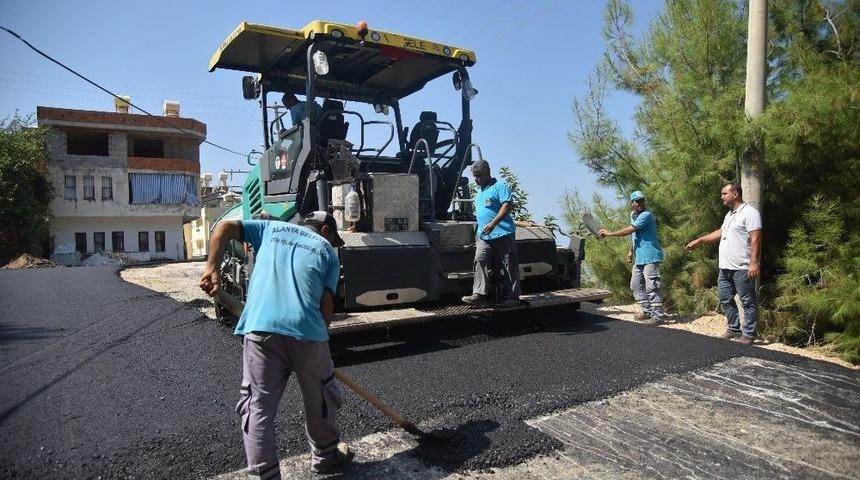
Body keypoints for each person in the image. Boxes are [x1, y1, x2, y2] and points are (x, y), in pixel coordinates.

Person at [199, 211, 353, 478]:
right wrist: (319, 341)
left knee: (257, 406)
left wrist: (211, 268)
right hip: (307, 330)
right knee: (321, 398)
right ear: (326, 230)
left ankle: (263, 474)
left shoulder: (271, 229)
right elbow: (325, 305)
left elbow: (222, 227)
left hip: (260, 327)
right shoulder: (327, 250)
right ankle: (326, 456)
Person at [686, 182, 762, 345]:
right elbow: (721, 232)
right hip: (725, 267)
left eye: (724, 193)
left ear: (735, 194)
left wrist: (753, 263)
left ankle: (749, 334)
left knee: (747, 301)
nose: (721, 196)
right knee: (725, 297)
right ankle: (734, 329)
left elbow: (756, 238)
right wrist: (700, 240)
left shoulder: (750, 212)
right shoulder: (730, 214)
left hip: (742, 267)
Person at [598, 191, 666, 324]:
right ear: (632, 203)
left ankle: (658, 316)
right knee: (635, 285)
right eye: (637, 201)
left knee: (652, 286)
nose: (640, 203)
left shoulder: (646, 215)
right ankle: (647, 311)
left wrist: (610, 233)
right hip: (640, 257)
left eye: (641, 200)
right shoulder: (633, 215)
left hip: (650, 256)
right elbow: (635, 235)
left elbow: (629, 230)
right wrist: (631, 250)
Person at [461, 159, 521, 308]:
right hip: (484, 236)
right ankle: (479, 295)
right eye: (474, 176)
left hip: (503, 233)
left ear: (487, 173)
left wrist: (493, 223)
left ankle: (513, 297)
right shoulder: (479, 193)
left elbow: (507, 206)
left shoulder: (500, 186)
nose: (476, 179)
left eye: (478, 176)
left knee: (509, 265)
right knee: (480, 260)